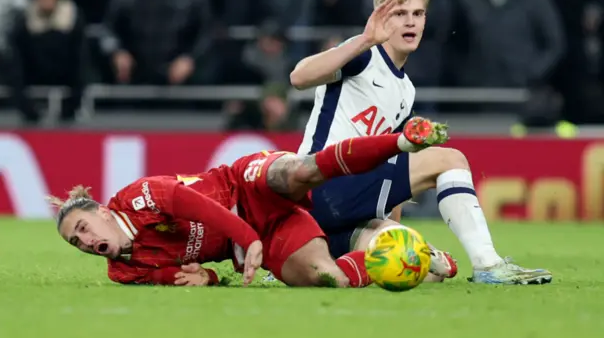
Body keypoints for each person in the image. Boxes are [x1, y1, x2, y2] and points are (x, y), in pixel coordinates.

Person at [289, 0, 552, 285]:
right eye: (399, 14)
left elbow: (392, 168)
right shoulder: (363, 56)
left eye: (417, 13)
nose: (410, 22)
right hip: (321, 185)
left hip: (343, 209)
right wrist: (364, 39)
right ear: (379, 17)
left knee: (423, 270)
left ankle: (314, 254)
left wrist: (399, 234)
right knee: (450, 159)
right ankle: (488, 264)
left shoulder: (405, 91)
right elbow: (299, 77)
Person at [49, 117, 448, 287]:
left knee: (301, 172)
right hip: (258, 237)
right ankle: (419, 259)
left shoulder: (137, 197)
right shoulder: (122, 272)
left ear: (101, 210)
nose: (84, 241)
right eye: (76, 243)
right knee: (331, 279)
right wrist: (205, 277)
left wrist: (246, 235)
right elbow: (179, 279)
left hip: (244, 185)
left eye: (82, 228)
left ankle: (401, 141)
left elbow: (197, 206)